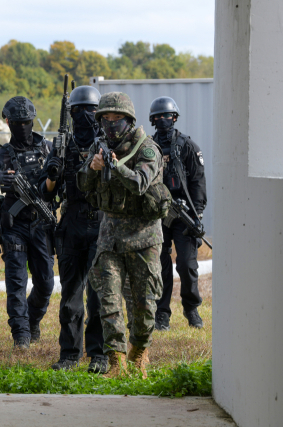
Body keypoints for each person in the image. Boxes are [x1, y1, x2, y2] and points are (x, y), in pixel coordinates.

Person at [77, 92, 165, 378]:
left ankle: (139, 352)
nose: (111, 125)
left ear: (129, 121)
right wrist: (93, 167)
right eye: (106, 119)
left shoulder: (147, 148)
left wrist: (117, 167)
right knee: (108, 301)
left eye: (117, 119)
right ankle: (116, 361)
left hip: (144, 238)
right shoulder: (98, 147)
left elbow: (140, 183)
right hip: (110, 237)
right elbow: (82, 183)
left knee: (144, 304)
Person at [39, 85, 107, 373]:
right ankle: (69, 353)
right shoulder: (61, 145)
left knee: (99, 294)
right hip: (71, 224)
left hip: (101, 223)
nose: (83, 117)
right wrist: (53, 173)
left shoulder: (107, 144)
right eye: (77, 111)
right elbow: (45, 193)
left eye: (89, 111)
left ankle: (99, 354)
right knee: (70, 294)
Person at [0, 96, 54, 349]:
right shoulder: (2, 156)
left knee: (46, 283)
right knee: (16, 284)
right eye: (17, 122)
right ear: (7, 122)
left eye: (26, 122)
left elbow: (60, 184)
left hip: (42, 224)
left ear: (32, 121)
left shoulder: (48, 149)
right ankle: (21, 335)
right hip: (14, 228)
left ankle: (32, 320)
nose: (22, 126)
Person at [149, 96, 207, 331]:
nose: (163, 119)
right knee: (160, 266)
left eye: (167, 115)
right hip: (157, 215)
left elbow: (198, 181)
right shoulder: (147, 147)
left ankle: (191, 309)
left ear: (174, 117)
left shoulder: (187, 146)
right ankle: (162, 313)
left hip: (183, 214)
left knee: (186, 264)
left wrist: (197, 214)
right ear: (153, 120)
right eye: (158, 116)